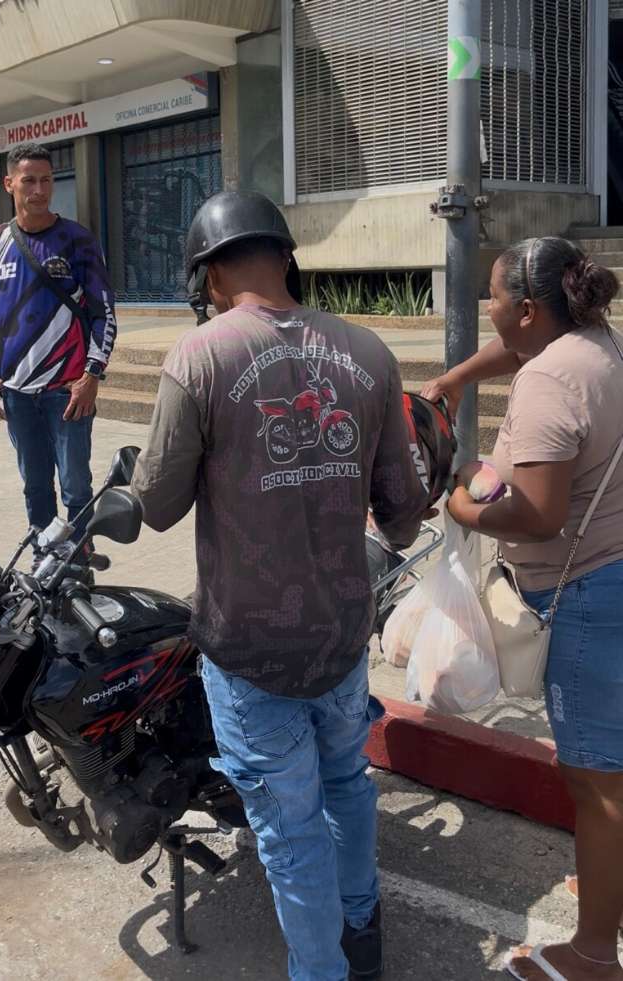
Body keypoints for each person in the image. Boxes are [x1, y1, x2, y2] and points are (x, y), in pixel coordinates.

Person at [130, 190, 431, 980]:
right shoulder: (368, 352)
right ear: (284, 257)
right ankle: (361, 932)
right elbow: (401, 517)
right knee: (346, 785)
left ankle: (322, 971)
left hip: (248, 645)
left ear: (211, 274)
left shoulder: (199, 356)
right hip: (339, 635)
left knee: (290, 833)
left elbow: (156, 506)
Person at [423, 237, 623, 981]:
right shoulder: (593, 342)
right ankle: (610, 883)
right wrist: (453, 376)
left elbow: (537, 515)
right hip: (614, 574)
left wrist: (460, 507)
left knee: (595, 780)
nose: (490, 308)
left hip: (586, 596)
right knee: (611, 765)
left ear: (529, 308)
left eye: (495, 298)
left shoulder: (549, 385)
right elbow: (515, 353)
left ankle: (595, 953)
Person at [0, 142, 116, 558]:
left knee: (76, 486)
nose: (39, 190)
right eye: (29, 180)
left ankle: (77, 562)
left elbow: (104, 313)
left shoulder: (77, 240)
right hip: (17, 394)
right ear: (9, 184)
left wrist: (92, 376)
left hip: (68, 392)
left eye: (47, 180)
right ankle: (44, 558)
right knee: (36, 486)